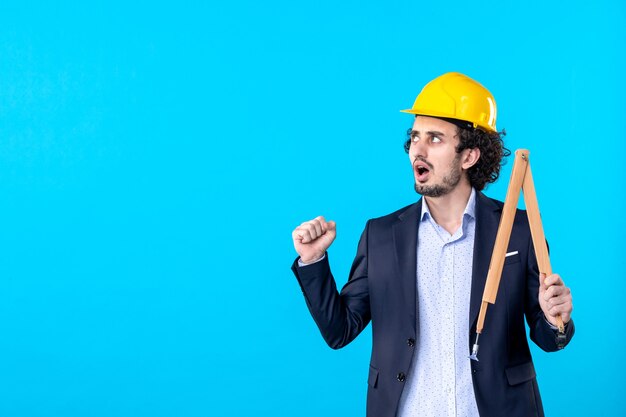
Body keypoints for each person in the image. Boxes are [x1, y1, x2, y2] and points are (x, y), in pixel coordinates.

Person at [290, 72, 575, 417]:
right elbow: (340, 330)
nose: (417, 150)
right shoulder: (380, 236)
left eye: (435, 139)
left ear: (469, 155)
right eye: (415, 137)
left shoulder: (518, 229)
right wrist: (314, 261)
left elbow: (549, 338)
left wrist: (554, 318)